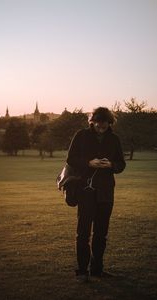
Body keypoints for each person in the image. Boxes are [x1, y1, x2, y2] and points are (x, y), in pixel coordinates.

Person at [66, 107, 126, 282]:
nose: (101, 126)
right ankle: (82, 271)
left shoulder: (114, 139)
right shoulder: (81, 135)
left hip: (106, 192)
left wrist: (111, 165)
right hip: (85, 191)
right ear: (92, 121)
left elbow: (121, 164)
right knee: (83, 233)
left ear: (109, 123)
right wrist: (89, 163)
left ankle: (97, 270)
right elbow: (70, 159)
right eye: (98, 122)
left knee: (101, 233)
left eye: (105, 123)